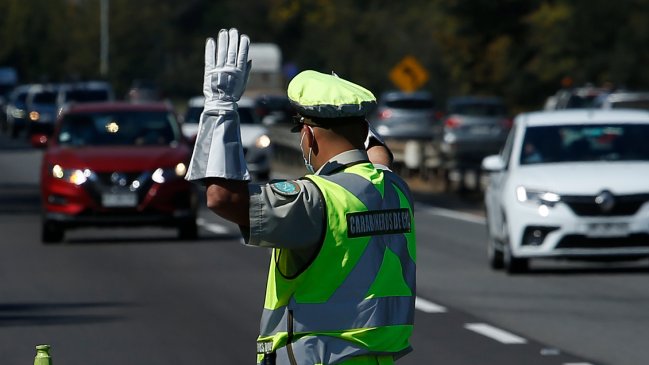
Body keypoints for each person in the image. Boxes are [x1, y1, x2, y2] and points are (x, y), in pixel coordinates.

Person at [186, 28, 416, 365]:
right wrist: (350, 111)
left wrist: (220, 106)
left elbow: (221, 198)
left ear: (308, 135)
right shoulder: (394, 189)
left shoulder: (314, 200)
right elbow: (380, 157)